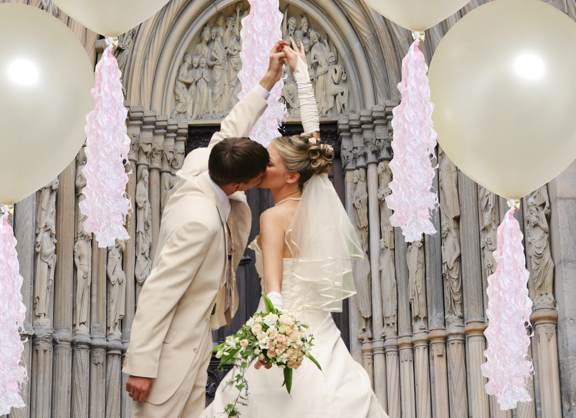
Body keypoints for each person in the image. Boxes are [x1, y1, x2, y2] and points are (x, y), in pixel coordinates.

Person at [202, 39, 387, 417]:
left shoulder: (273, 218)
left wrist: (273, 343)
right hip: (321, 332)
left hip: (286, 334)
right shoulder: (313, 195)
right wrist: (300, 73)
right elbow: (313, 136)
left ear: (289, 175)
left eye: (269, 162)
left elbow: (273, 294)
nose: (261, 166)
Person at [124, 42, 288, 418]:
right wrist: (142, 366)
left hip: (201, 333)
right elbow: (159, 291)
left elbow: (231, 128)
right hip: (173, 349)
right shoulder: (198, 223)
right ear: (240, 186)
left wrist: (268, 80)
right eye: (258, 178)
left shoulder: (203, 162)